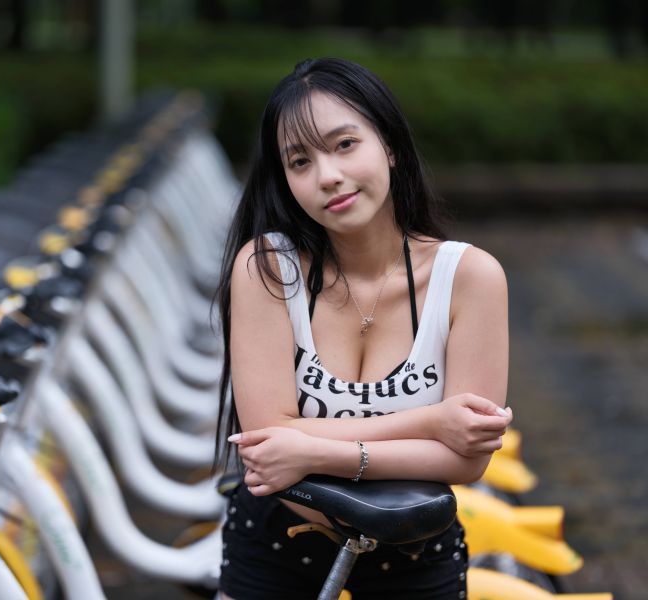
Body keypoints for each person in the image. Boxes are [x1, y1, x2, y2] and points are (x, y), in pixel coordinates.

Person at [214, 57, 511, 600]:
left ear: (390, 146)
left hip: (416, 552)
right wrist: (432, 421)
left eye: (345, 144)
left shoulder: (469, 278)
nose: (327, 175)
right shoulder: (268, 268)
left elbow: (467, 459)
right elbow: (264, 442)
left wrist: (315, 452)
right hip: (276, 549)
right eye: (300, 161)